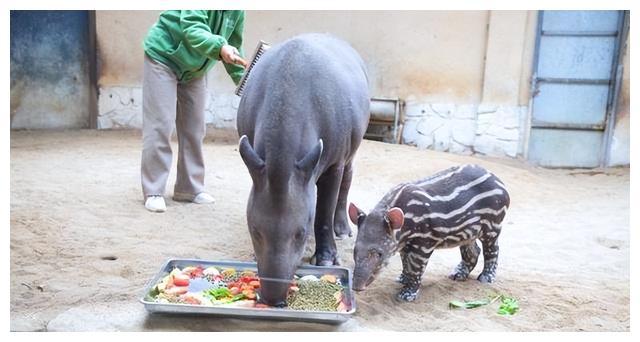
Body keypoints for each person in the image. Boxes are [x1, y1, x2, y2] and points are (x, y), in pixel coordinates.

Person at [141, 10, 246, 212]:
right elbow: (193, 28)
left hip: (195, 68)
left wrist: (245, 82)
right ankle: (154, 190)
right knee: (160, 125)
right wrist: (220, 46)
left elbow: (234, 43)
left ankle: (189, 189)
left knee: (195, 128)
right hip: (164, 56)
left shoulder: (238, 9)